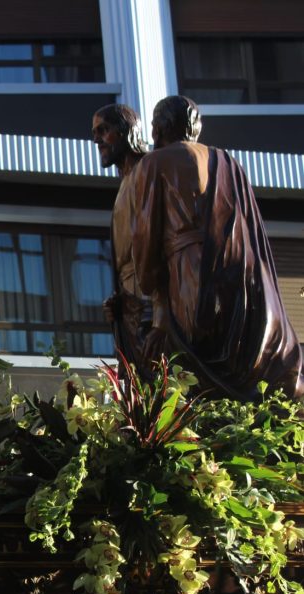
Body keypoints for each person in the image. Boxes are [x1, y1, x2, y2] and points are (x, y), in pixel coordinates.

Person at [129, 95, 304, 400]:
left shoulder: (154, 162)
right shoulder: (228, 162)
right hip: (238, 271)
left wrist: (146, 283)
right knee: (234, 364)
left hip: (190, 271)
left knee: (193, 372)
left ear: (160, 128)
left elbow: (146, 231)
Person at [92, 103, 151, 373]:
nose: (96, 139)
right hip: (130, 309)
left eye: (103, 130)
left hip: (150, 306)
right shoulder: (124, 185)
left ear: (126, 130)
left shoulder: (148, 173)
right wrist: (120, 300)